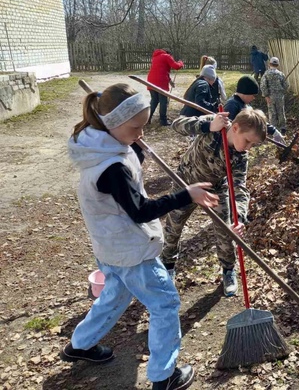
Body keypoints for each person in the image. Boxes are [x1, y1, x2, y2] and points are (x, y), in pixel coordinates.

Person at [62, 83, 220, 390]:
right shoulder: (111, 166)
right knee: (165, 305)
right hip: (132, 251)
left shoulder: (100, 145)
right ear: (114, 124)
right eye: (136, 128)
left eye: (143, 127)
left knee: (114, 296)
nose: (140, 133)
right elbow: (140, 210)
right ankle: (164, 376)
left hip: (111, 246)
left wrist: (134, 147)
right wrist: (186, 195)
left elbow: (125, 183)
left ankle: (80, 345)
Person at [161, 108, 267, 297]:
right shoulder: (213, 124)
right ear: (235, 128)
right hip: (185, 183)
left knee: (226, 231)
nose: (249, 147)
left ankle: (228, 270)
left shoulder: (241, 156)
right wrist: (207, 125)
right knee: (173, 226)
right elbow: (177, 125)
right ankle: (167, 266)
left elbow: (239, 188)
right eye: (248, 141)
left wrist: (239, 217)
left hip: (216, 189)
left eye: (253, 144)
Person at [225, 75, 286, 145]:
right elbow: (227, 128)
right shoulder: (232, 105)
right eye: (253, 95)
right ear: (246, 92)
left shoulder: (244, 104)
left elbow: (257, 121)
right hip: (232, 146)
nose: (253, 98)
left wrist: (273, 131)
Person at [147, 49, 184, 126]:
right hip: (160, 83)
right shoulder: (167, 56)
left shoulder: (155, 57)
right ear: (169, 54)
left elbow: (162, 71)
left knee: (154, 100)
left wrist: (170, 81)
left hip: (151, 81)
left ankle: (147, 118)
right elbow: (176, 66)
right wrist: (181, 63)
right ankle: (163, 120)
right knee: (163, 101)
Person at [260, 57, 289, 134]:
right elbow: (286, 85)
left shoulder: (266, 74)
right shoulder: (281, 74)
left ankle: (274, 130)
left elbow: (263, 86)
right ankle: (283, 128)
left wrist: (266, 95)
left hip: (270, 97)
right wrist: (282, 91)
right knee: (281, 111)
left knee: (272, 112)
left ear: (269, 64)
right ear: (278, 65)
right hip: (280, 96)